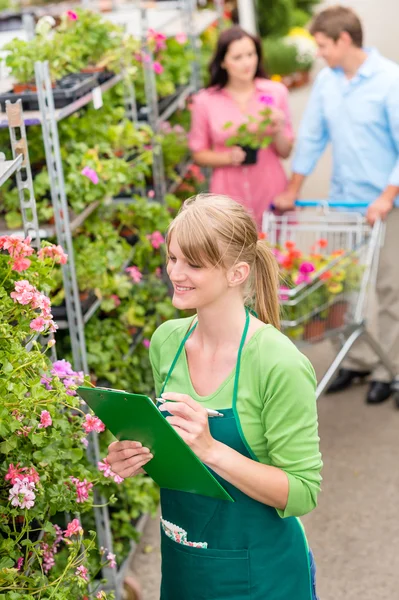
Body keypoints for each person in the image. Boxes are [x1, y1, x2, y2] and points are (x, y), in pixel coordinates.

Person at [106, 194, 322, 600]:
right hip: (186, 566)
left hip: (263, 576)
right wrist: (138, 455)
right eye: (172, 258)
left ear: (237, 273)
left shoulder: (278, 362)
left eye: (194, 264)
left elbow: (302, 491)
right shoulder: (166, 342)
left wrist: (210, 449)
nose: (175, 272)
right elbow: (181, 462)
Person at [274, 5, 399, 404]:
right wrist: (293, 188)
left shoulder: (389, 80)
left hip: (384, 205)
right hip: (343, 203)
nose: (320, 53)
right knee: (340, 287)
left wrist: (387, 196)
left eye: (324, 45)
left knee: (389, 289)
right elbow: (311, 137)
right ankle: (358, 360)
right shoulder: (328, 82)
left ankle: (390, 368)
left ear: (344, 40)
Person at [188, 26, 294, 228]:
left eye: (251, 54)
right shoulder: (205, 101)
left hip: (270, 187)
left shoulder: (275, 92)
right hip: (227, 194)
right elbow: (198, 153)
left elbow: (286, 151)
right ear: (223, 62)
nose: (247, 63)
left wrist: (278, 128)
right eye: (237, 57)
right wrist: (227, 157)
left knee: (277, 252)